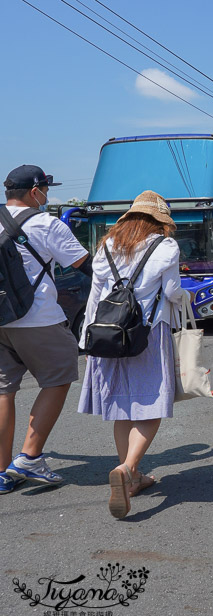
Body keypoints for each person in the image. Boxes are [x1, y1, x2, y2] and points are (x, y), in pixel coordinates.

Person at [76, 190, 184, 519]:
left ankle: (134, 478)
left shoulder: (107, 246)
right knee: (150, 405)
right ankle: (127, 469)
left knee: (122, 408)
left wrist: (86, 340)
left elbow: (95, 298)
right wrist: (185, 296)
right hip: (147, 335)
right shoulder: (165, 247)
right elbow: (171, 293)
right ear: (159, 220)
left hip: (107, 336)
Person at [0, 165, 91, 495]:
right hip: (37, 318)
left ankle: (2, 471)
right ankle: (30, 456)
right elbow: (85, 265)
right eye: (46, 190)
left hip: (0, 319)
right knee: (60, 377)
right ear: (35, 191)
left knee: (3, 390)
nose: (48, 196)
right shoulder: (47, 224)